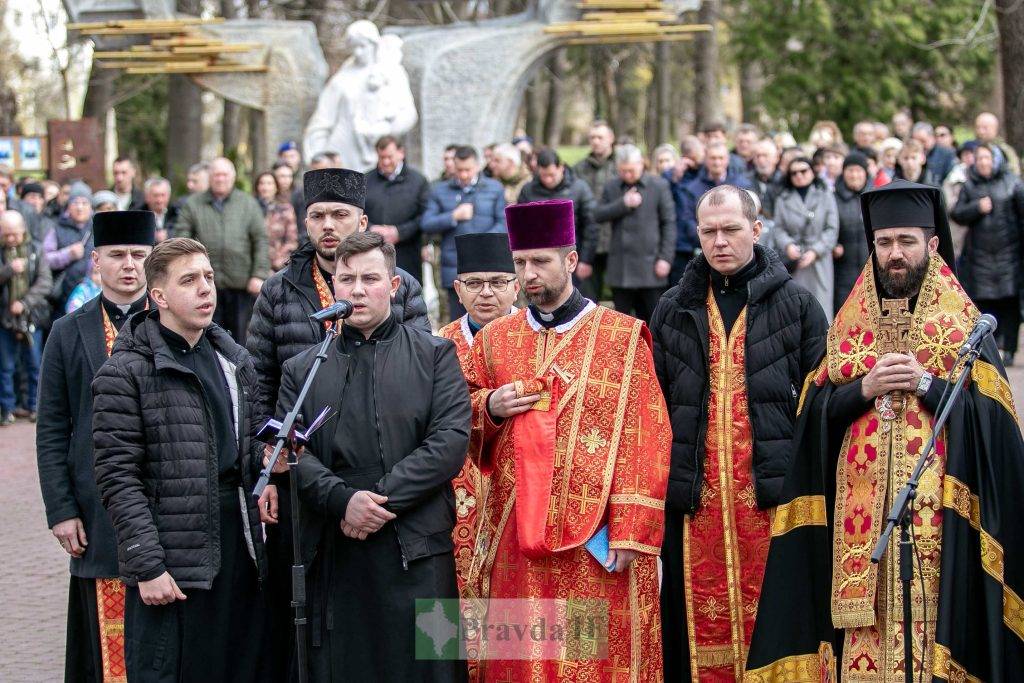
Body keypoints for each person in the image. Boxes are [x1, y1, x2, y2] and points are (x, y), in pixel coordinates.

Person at [747, 180, 1024, 681]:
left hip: (941, 525)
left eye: (906, 242)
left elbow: (996, 425)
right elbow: (817, 413)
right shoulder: (850, 323)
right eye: (884, 243)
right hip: (863, 532)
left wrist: (926, 384)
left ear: (933, 244)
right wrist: (863, 388)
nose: (895, 255)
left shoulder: (965, 326)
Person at [464, 198, 670, 681]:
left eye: (541, 261)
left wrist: (631, 528)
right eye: (520, 263)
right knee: (521, 654)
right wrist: (490, 407)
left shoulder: (622, 335)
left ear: (572, 260)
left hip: (598, 535)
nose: (529, 274)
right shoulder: (496, 339)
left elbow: (648, 434)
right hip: (516, 530)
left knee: (591, 658)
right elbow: (465, 423)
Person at [246, 167, 428, 681]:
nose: (329, 225)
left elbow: (415, 379)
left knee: (392, 623)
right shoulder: (280, 291)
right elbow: (258, 384)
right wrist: (270, 470)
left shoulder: (402, 287)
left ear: (361, 218)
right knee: (312, 620)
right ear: (305, 221)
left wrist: (378, 492)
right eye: (318, 215)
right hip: (309, 477)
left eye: (340, 214)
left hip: (387, 478)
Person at [267, 231, 469, 681]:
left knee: (430, 667)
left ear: (393, 286)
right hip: (337, 545)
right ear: (333, 286)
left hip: (416, 544)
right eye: (346, 279)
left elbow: (449, 443)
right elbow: (291, 450)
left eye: (370, 278)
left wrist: (375, 502)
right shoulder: (303, 368)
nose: (357, 289)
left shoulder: (435, 354)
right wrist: (343, 501)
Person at [650, 184, 827, 680]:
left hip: (771, 496)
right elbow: (653, 403)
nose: (720, 241)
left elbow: (821, 401)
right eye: (709, 232)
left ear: (756, 228)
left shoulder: (798, 305)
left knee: (777, 620)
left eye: (731, 230)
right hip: (694, 498)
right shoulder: (673, 308)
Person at [93, 237, 270, 681]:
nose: (206, 289)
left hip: (240, 546)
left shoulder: (235, 360)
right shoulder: (126, 371)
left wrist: (273, 460)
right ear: (159, 296)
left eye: (208, 277)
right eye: (189, 280)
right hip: (173, 557)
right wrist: (147, 564)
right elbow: (118, 477)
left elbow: (246, 448)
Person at [37, 210, 154, 682]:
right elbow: (51, 428)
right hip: (94, 507)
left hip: (164, 502)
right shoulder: (68, 332)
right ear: (95, 262)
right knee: (106, 640)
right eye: (118, 255)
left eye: (140, 256)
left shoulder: (174, 323)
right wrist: (61, 508)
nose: (129, 265)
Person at [436, 233, 520, 596]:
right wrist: (485, 405)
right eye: (474, 283)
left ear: (516, 287)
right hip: (456, 487)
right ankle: (453, 657)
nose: (486, 293)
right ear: (458, 289)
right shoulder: (437, 344)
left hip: (520, 483)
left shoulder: (539, 338)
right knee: (448, 608)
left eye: (498, 282)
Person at [175, 156, 269, 343]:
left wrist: (258, 274)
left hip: (240, 284)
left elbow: (260, 240)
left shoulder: (248, 204)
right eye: (216, 175)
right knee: (205, 335)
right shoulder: (193, 204)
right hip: (203, 285)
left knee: (239, 338)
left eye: (224, 175)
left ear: (233, 177)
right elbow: (181, 241)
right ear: (209, 177)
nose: (220, 179)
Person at [951, 143, 1024, 366]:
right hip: (980, 257)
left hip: (1008, 253)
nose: (984, 162)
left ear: (996, 160)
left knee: (1009, 303)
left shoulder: (1012, 182)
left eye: (988, 158)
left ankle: (1009, 349)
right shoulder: (970, 185)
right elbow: (956, 213)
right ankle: (988, 352)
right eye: (980, 158)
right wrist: (976, 208)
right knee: (984, 303)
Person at [421, 145, 507, 321]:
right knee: (458, 322)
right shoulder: (440, 190)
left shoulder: (494, 188)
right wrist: (453, 216)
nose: (464, 175)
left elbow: (503, 223)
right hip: (455, 266)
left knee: (491, 321)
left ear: (476, 166)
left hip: (488, 263)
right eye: (459, 170)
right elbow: (426, 223)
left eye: (468, 170)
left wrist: (481, 242)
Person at [593, 144, 676, 321]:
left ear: (641, 164)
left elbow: (669, 223)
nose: (628, 175)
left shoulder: (658, 185)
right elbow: (598, 214)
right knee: (621, 323)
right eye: (623, 171)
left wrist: (665, 258)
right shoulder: (612, 186)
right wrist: (623, 204)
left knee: (655, 321)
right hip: (621, 267)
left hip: (651, 265)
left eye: (631, 170)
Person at [517, 148, 597, 298]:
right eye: (544, 175)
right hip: (538, 255)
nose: (548, 180)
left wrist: (586, 259)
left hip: (571, 254)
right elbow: (520, 226)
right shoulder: (528, 190)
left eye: (552, 175)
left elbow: (590, 226)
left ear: (561, 168)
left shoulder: (579, 188)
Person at [676, 141, 753, 284]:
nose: (717, 162)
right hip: (702, 254)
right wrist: (708, 240)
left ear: (727, 159)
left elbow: (750, 218)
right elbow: (687, 220)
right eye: (713, 158)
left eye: (721, 158)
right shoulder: (692, 189)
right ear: (706, 159)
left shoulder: (743, 185)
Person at [772, 156, 839, 321]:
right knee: (795, 309)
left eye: (803, 171)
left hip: (819, 260)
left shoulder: (825, 195)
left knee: (821, 309)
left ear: (812, 172)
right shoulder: (783, 199)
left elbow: (832, 228)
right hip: (794, 260)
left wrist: (816, 251)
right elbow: (778, 228)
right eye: (794, 173)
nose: (799, 175)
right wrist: (787, 245)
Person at [0, 210, 50, 424]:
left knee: (34, 364)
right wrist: (8, 270)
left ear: (23, 231)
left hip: (31, 317)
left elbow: (45, 282)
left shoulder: (36, 250)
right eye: (6, 234)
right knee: (5, 366)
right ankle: (7, 409)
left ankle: (34, 406)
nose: (10, 238)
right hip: (4, 318)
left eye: (14, 234)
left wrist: (25, 303)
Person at [364, 135, 430, 284]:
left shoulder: (418, 181)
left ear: (401, 153)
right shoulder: (365, 180)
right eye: (382, 157)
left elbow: (425, 215)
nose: (386, 162)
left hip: (408, 252)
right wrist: (371, 228)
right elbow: (357, 212)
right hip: (373, 251)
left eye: (389, 157)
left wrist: (399, 232)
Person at [573, 120, 618, 297]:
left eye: (600, 137)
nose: (596, 141)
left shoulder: (621, 165)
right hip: (588, 241)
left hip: (616, 240)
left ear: (611, 138)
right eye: (592, 137)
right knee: (588, 295)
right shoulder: (579, 169)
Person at [44, 181, 95, 317]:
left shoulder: (98, 228)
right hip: (63, 298)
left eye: (84, 203)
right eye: (75, 203)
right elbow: (45, 259)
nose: (80, 207)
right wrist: (67, 254)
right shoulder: (57, 229)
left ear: (91, 206)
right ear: (68, 206)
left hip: (94, 297)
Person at [833, 152, 872, 312]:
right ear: (843, 173)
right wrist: (833, 245)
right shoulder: (833, 199)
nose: (854, 175)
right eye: (850, 170)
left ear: (865, 173)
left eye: (859, 170)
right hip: (842, 269)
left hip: (870, 268)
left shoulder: (874, 197)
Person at [970, 111, 1021, 175]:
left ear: (995, 129)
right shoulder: (970, 148)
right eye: (978, 127)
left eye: (985, 128)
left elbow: (1015, 173)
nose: (981, 132)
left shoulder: (1005, 151)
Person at [748, 138, 783, 217]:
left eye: (765, 155)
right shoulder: (745, 181)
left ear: (776, 158)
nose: (761, 160)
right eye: (758, 156)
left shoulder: (784, 181)